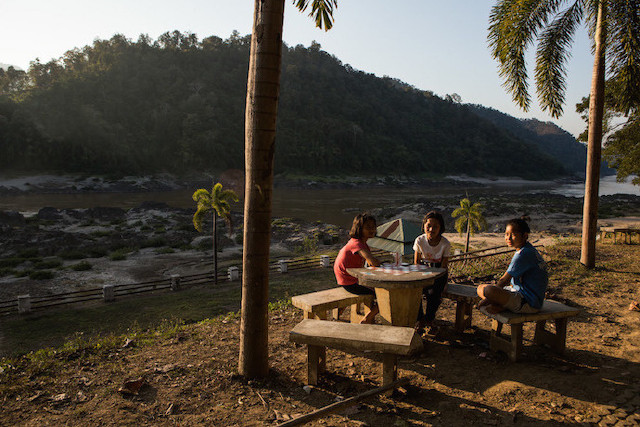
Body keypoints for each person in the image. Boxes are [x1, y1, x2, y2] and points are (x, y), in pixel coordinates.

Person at [477, 218, 548, 314]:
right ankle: (502, 305)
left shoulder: (524, 254)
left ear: (524, 236)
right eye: (506, 234)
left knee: (489, 291)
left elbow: (504, 280)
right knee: (480, 288)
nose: (508, 238)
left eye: (513, 235)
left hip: (528, 302)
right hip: (523, 296)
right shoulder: (528, 249)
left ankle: (502, 306)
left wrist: (487, 300)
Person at [333, 213, 381, 323]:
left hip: (347, 279)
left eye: (373, 227)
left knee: (377, 289)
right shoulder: (357, 244)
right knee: (383, 294)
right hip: (349, 282)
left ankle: (343, 310)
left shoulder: (360, 243)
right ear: (359, 229)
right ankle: (367, 319)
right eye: (368, 227)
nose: (372, 229)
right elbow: (372, 262)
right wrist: (377, 262)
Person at [413, 211, 451, 334]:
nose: (431, 229)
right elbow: (417, 263)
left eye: (435, 226)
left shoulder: (445, 244)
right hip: (423, 273)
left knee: (434, 293)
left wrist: (443, 282)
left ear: (441, 228)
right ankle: (419, 319)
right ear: (424, 225)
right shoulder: (419, 240)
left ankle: (429, 319)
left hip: (439, 274)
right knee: (414, 291)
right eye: (428, 225)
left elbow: (444, 266)